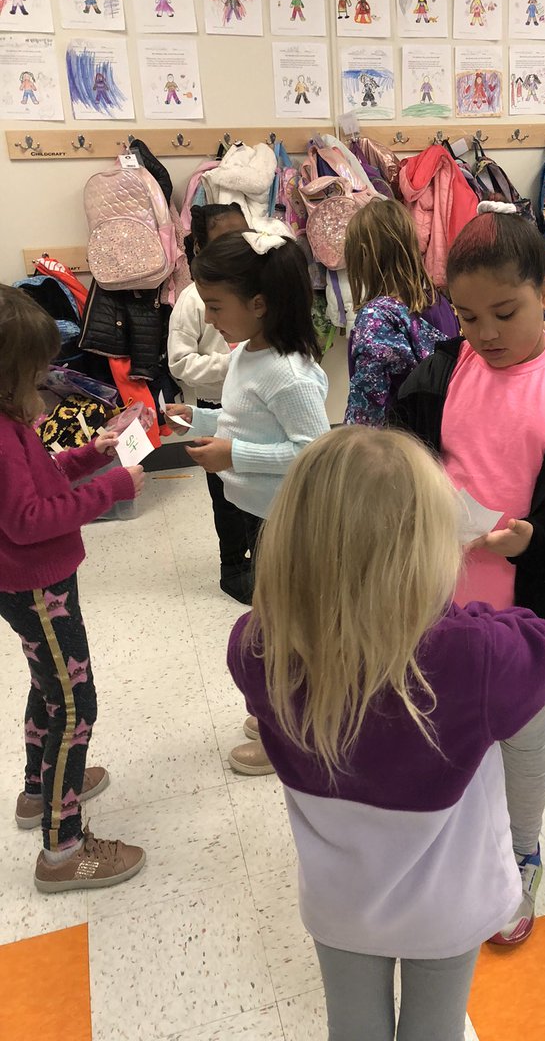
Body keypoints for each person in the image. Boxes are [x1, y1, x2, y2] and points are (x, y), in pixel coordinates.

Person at [228, 426, 545, 1041]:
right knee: (434, 1030)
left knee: (352, 1028)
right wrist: (463, 614)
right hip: (448, 901)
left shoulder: (257, 646)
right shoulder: (476, 657)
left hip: (338, 899)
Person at [395, 202, 545, 943]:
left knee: (522, 735)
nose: (485, 334)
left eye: (504, 312)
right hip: (437, 605)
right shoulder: (435, 376)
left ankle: (521, 852)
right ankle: (452, 841)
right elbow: (396, 470)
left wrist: (537, 537)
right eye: (467, 318)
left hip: (528, 614)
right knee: (444, 728)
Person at [166, 225, 330, 777]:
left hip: (289, 522)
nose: (208, 319)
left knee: (282, 633)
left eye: (215, 306)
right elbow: (242, 419)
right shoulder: (246, 354)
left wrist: (234, 455)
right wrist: (203, 419)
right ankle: (274, 713)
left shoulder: (288, 373)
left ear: (259, 304)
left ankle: (283, 731)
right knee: (273, 625)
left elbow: (312, 451)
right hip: (260, 515)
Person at [0, 286, 146, 892]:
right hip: (37, 587)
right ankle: (62, 852)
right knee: (74, 706)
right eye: (34, 369)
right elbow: (28, 520)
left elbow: (40, 485)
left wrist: (93, 456)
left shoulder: (11, 424)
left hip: (39, 586)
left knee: (50, 686)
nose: (45, 378)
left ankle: (40, 789)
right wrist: (111, 489)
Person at [168, 203, 253, 604]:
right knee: (226, 496)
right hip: (215, 407)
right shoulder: (192, 299)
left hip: (256, 405)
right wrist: (234, 363)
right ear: (200, 247)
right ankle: (233, 567)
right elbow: (180, 362)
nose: (239, 247)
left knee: (258, 488)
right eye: (225, 241)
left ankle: (265, 561)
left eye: (244, 236)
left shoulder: (256, 287)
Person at [344, 199, 458, 427]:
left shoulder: (377, 318)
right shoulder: (439, 303)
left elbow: (366, 411)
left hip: (394, 446)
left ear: (363, 254)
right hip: (440, 434)